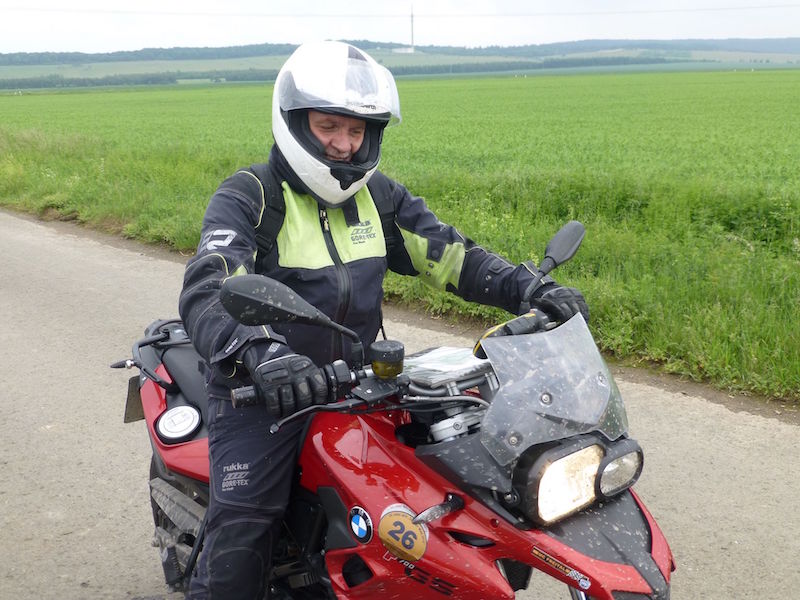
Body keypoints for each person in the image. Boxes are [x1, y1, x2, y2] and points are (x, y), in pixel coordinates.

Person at [178, 40, 588, 599]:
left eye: (357, 131)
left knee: (460, 487)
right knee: (244, 533)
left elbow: (451, 256)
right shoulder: (251, 195)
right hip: (262, 392)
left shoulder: (379, 197)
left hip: (360, 383)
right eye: (328, 126)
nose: (344, 144)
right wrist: (262, 352)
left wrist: (530, 288)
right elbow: (211, 285)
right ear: (293, 121)